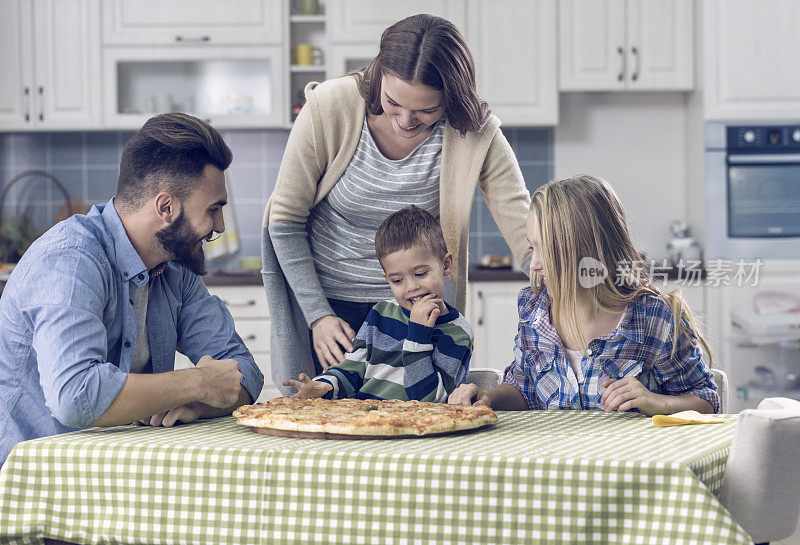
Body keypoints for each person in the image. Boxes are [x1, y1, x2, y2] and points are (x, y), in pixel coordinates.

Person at [263, 14, 531, 393]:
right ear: (379, 77)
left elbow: (523, 225)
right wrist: (318, 316)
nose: (406, 120)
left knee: (418, 415)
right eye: (393, 102)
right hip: (329, 310)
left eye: (425, 110)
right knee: (324, 416)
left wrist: (557, 277)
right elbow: (285, 220)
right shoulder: (330, 106)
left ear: (452, 98)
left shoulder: (472, 130)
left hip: (418, 308)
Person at [0, 113, 264, 464]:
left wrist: (197, 405)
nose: (218, 226)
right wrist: (200, 383)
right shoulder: (70, 259)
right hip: (31, 481)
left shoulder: (175, 267)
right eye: (213, 210)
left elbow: (243, 371)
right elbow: (75, 395)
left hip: (119, 474)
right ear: (166, 207)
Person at [448, 175, 720, 416]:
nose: (533, 264)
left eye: (546, 250)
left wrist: (656, 402)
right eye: (533, 248)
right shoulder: (534, 308)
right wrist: (489, 398)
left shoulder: (652, 316)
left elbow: (706, 400)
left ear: (585, 251)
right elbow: (525, 390)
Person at [284, 206, 472, 402]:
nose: (411, 287)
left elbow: (432, 400)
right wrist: (324, 385)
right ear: (386, 278)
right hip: (363, 420)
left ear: (446, 264)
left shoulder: (458, 334)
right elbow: (353, 368)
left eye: (420, 274)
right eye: (397, 280)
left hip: (417, 425)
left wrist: (418, 335)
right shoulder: (382, 313)